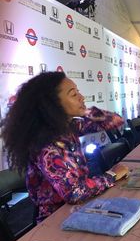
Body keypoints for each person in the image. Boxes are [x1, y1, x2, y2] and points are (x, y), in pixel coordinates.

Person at [1, 72, 129, 222]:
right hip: (56, 220)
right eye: (74, 94)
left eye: (78, 92)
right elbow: (75, 193)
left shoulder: (67, 127)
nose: (82, 97)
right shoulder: (46, 146)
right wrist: (112, 175)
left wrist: (84, 110)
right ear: (52, 103)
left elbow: (115, 120)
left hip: (79, 209)